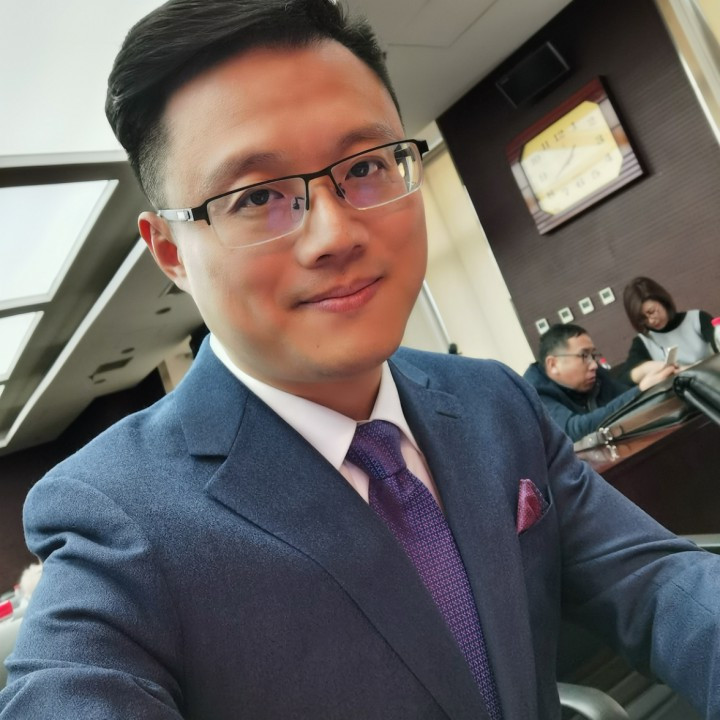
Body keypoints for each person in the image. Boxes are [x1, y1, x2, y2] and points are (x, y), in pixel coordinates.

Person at [2, 2, 720, 718]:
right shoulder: (119, 516)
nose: (336, 234)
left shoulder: (492, 400)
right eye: (257, 195)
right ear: (171, 252)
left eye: (368, 165)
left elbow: (651, 582)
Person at [523, 323, 675, 441]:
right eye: (584, 356)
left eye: (593, 355)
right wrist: (641, 390)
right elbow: (574, 432)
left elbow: (624, 399)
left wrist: (653, 386)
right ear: (553, 364)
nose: (594, 365)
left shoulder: (595, 374)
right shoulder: (533, 393)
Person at [622, 276, 718, 385]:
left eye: (652, 311)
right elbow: (623, 380)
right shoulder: (643, 341)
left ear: (662, 301)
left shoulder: (697, 318)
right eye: (643, 318)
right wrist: (644, 369)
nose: (651, 321)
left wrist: (688, 370)